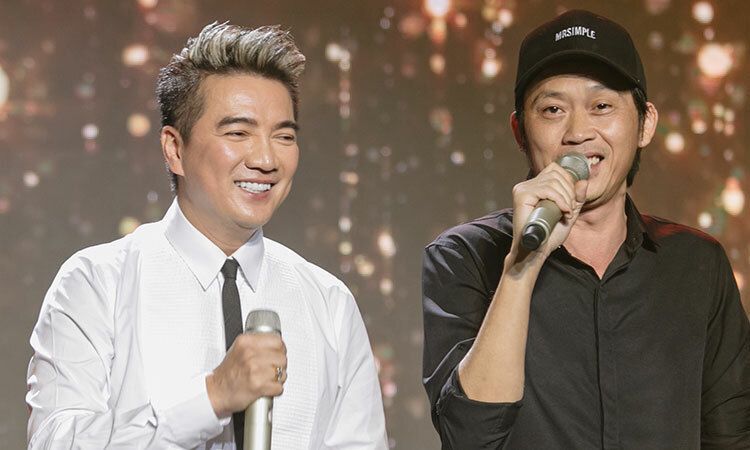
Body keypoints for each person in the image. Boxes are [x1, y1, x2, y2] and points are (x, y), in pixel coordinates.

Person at [27, 22, 387, 449]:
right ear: (175, 149)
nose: (266, 158)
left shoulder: (329, 303)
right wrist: (212, 397)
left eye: (284, 136)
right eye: (238, 133)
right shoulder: (97, 283)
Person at [422, 9, 749, 449]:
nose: (578, 132)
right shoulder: (463, 257)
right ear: (520, 130)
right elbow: (469, 437)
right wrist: (521, 267)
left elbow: (731, 436)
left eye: (602, 106)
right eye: (553, 109)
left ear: (645, 123)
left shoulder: (697, 265)